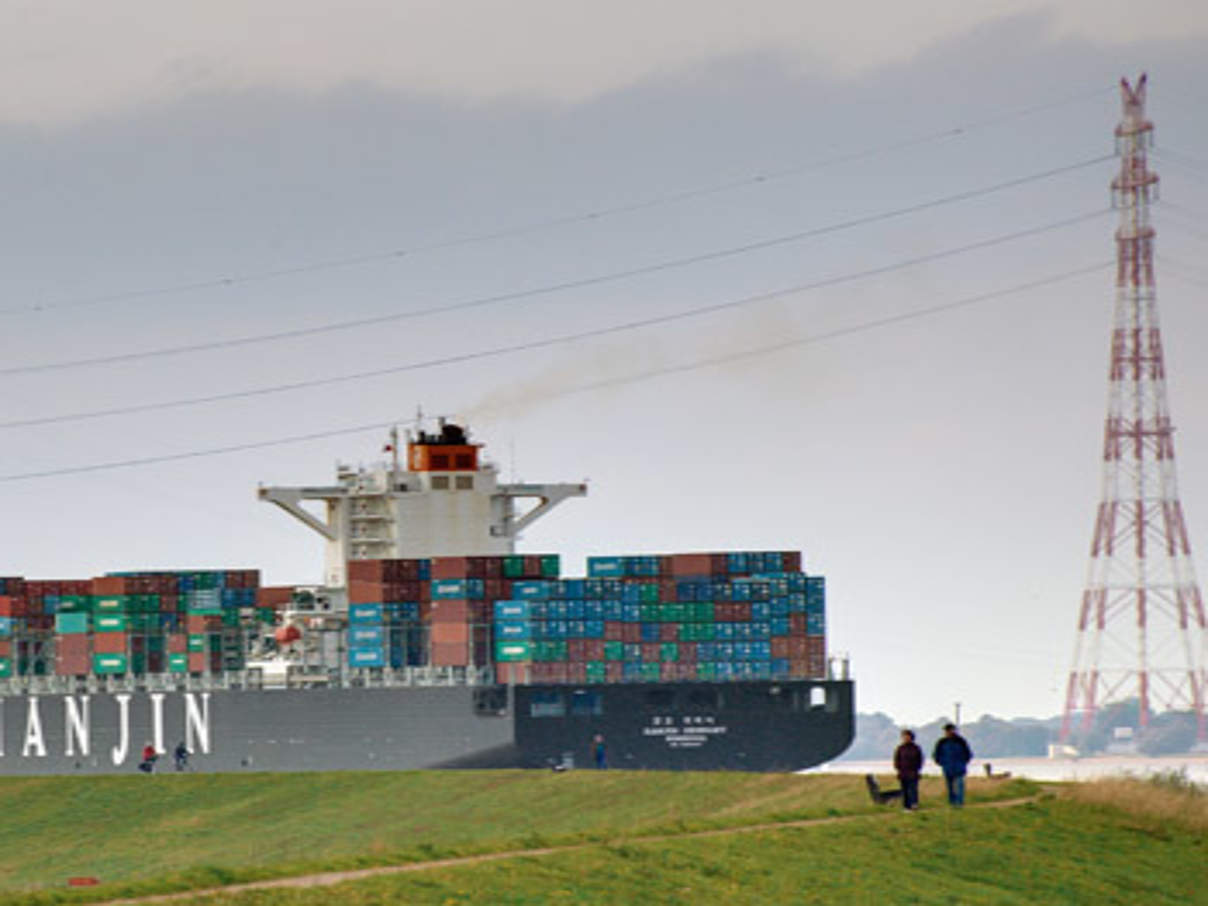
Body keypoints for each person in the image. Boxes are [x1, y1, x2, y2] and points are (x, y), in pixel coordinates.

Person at [932, 723, 973, 806]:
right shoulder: (941, 742)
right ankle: (952, 802)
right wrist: (941, 763)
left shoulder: (961, 741)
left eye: (950, 730)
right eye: (946, 731)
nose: (948, 732)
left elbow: (968, 753)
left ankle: (959, 802)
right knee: (950, 787)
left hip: (959, 767)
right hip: (947, 768)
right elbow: (936, 755)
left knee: (960, 785)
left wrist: (963, 762)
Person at [893, 729, 923, 810]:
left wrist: (917, 768)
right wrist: (898, 768)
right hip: (903, 772)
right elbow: (896, 760)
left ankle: (914, 804)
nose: (906, 738)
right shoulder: (900, 748)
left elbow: (920, 760)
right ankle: (906, 806)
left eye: (907, 736)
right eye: (904, 736)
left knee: (913, 789)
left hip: (913, 772)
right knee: (904, 790)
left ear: (911, 737)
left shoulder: (916, 748)